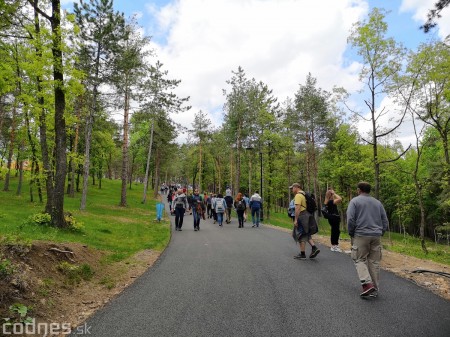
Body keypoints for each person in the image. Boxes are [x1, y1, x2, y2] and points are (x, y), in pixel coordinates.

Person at [347, 181, 388, 298]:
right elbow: (385, 220)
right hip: (376, 235)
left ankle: (367, 284)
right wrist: (381, 231)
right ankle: (374, 288)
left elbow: (350, 218)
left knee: (358, 258)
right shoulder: (377, 203)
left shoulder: (355, 201)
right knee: (374, 261)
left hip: (361, 234)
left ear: (359, 190)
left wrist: (351, 232)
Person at [290, 183, 320, 259]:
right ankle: (314, 248)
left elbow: (297, 208)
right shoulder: (304, 194)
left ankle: (302, 254)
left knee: (301, 234)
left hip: (301, 216)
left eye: (292, 188)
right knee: (306, 232)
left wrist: (296, 219)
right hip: (307, 215)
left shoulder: (298, 195)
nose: (292, 189)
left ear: (296, 187)